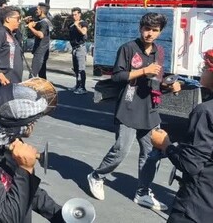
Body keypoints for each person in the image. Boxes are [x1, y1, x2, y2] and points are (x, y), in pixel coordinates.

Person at [87, 12, 181, 210]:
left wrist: (169, 86)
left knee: (151, 152)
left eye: (155, 30)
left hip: (150, 108)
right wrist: (143, 71)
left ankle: (143, 191)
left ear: (160, 32)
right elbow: (117, 76)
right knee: (121, 149)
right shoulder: (128, 49)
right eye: (147, 29)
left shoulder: (160, 51)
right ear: (140, 28)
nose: (150, 34)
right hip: (129, 106)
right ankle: (97, 175)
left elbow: (157, 81)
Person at [0, 83, 64, 223]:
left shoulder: (10, 144)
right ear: (15, 125)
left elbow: (27, 191)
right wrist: (25, 169)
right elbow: (7, 218)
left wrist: (60, 215)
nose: (33, 125)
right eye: (31, 121)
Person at [150, 49, 213, 223]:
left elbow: (190, 164)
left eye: (205, 67)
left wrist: (166, 145)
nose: (202, 71)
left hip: (195, 207)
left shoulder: (205, 112)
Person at [0, 7, 24, 114]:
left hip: (13, 84)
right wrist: (0, 75)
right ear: (7, 19)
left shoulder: (13, 35)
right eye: (18, 18)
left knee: (10, 118)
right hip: (0, 85)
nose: (19, 21)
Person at [27, 3, 51, 79]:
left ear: (41, 10)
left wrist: (31, 28)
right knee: (42, 74)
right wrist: (28, 22)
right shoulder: (45, 20)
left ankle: (29, 89)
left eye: (37, 9)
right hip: (44, 50)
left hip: (40, 51)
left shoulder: (43, 22)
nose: (36, 11)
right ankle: (44, 90)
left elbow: (41, 35)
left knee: (33, 74)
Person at [69, 7, 89, 94]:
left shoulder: (83, 23)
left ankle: (83, 87)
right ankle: (77, 85)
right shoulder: (71, 24)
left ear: (80, 14)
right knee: (76, 69)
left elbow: (84, 32)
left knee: (81, 69)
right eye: (73, 15)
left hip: (80, 48)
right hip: (74, 48)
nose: (74, 16)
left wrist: (77, 25)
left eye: (76, 14)